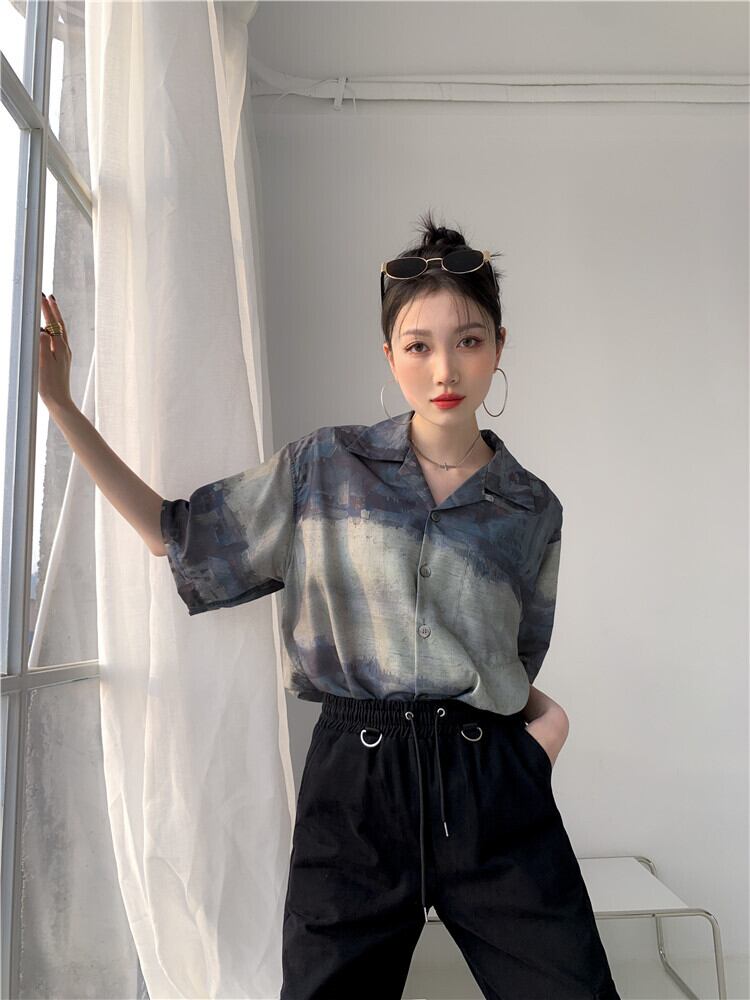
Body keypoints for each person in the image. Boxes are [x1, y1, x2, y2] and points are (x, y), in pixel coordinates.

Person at [38, 210, 621, 1000]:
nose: (445, 367)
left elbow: (516, 657)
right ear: (389, 356)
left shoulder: (531, 507)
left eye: (468, 340)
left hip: (490, 786)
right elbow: (173, 535)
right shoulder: (325, 470)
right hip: (356, 789)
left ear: (499, 347)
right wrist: (62, 407)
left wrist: (542, 737)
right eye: (419, 346)